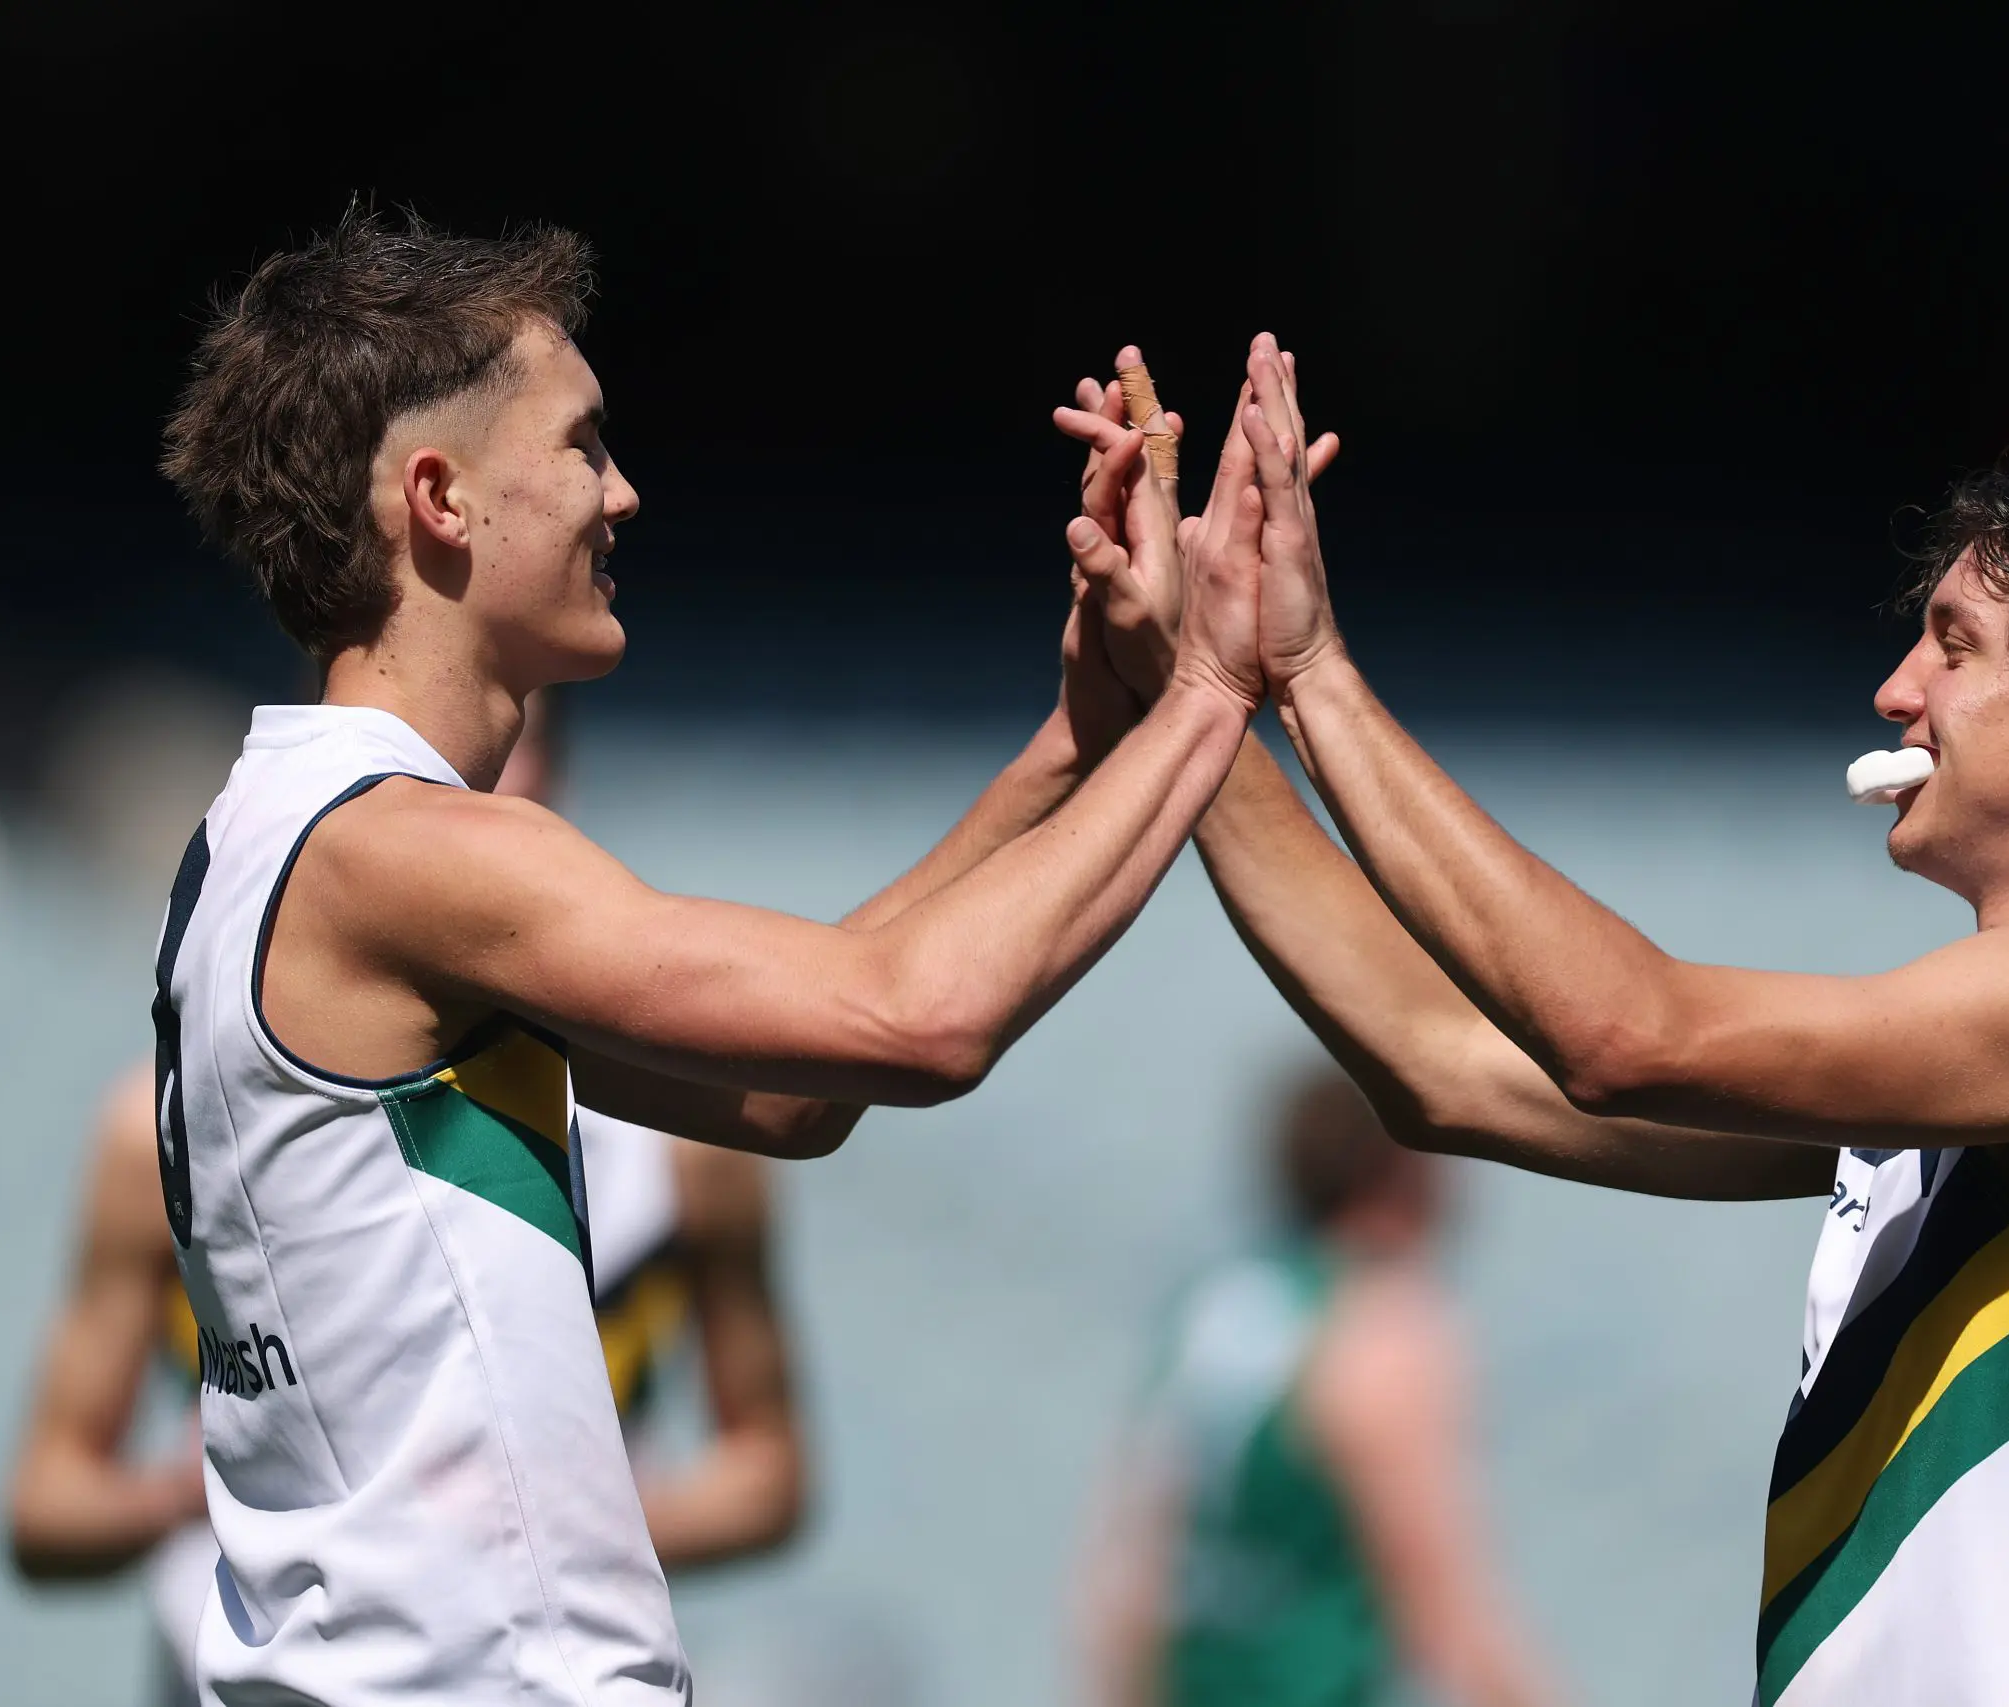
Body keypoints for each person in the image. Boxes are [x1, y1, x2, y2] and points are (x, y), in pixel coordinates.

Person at [1057, 338, 2009, 1705]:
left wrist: (1307, 663)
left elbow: (1625, 1031)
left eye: (1954, 645)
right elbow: (1441, 1066)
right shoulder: (1986, 1079)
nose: (1895, 690)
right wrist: (1192, 684)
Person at [143, 208, 1270, 1705]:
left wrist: (1083, 736)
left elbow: (791, 1091)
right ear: (441, 497)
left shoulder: (271, 842)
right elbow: (922, 1021)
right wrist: (1217, 683)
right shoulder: (406, 852)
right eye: (582, 443)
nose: (624, 490)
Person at [6, 693, 811, 1706]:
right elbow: (46, 1508)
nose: (476, 811)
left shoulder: (686, 1150)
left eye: (515, 772)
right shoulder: (164, 1127)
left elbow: (770, 1474)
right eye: (418, 792)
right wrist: (204, 1488)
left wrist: (543, 1524)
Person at [1082, 1068, 1555, 1707]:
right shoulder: (1387, 1330)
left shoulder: (1216, 1311)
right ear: (1407, 1174)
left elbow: (1126, 1586)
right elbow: (1448, 1616)